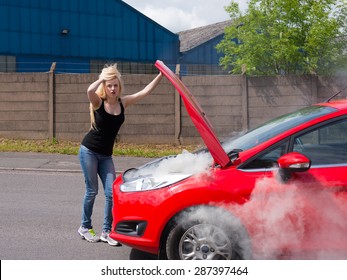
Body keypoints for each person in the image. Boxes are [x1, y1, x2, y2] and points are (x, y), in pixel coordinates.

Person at [78, 64, 162, 246]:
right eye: (110, 85)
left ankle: (107, 231)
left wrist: (161, 75)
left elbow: (144, 92)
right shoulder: (98, 102)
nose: (113, 88)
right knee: (92, 191)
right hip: (89, 152)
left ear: (119, 87)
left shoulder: (123, 103)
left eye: (115, 85)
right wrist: (104, 77)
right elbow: (89, 90)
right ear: (105, 87)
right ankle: (85, 227)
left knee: (111, 193)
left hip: (106, 156)